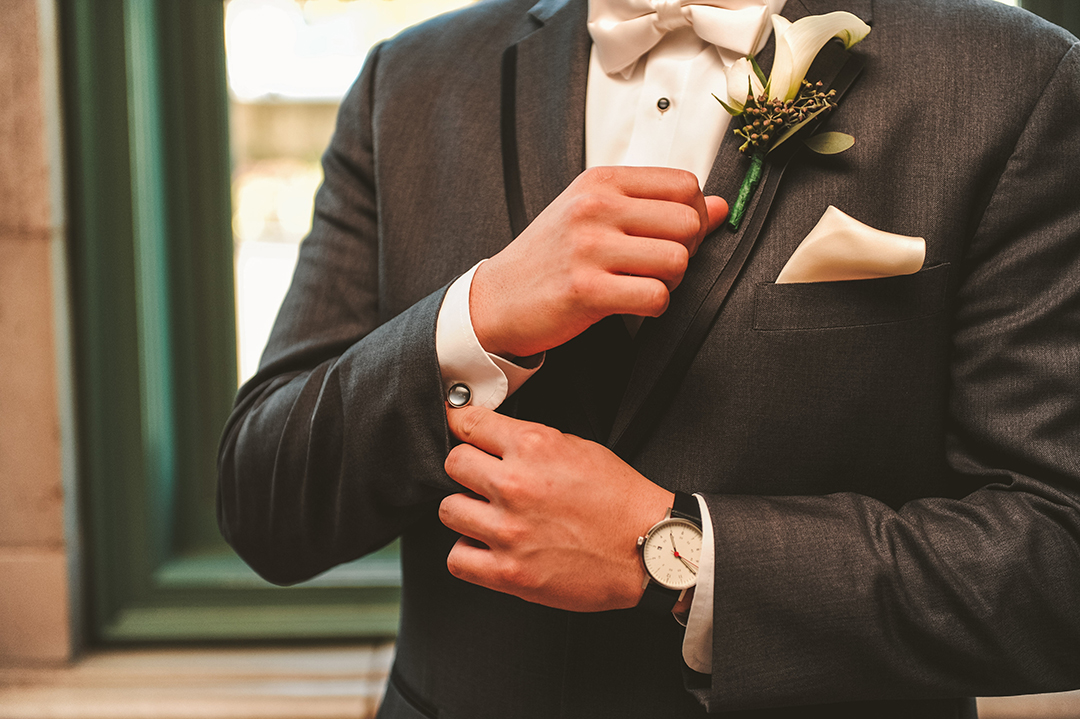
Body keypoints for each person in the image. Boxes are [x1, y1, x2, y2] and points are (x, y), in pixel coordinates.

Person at [217, 0, 1080, 716]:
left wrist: (681, 553)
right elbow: (265, 506)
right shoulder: (406, 82)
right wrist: (472, 321)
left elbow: (1056, 559)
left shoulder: (1014, 78)